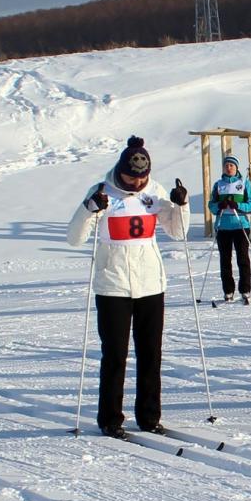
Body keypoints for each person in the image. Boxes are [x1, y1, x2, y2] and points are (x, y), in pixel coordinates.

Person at [66, 137, 189, 437]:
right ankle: (110, 419)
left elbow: (178, 232)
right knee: (115, 355)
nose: (136, 182)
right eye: (131, 176)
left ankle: (149, 417)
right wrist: (89, 209)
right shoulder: (102, 192)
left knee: (151, 353)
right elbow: (74, 238)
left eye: (142, 177)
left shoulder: (155, 191)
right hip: (113, 286)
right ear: (120, 170)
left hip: (150, 284)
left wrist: (180, 205)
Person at [208, 154, 251, 303]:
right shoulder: (218, 185)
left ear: (236, 168)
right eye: (226, 165)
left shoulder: (244, 183)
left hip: (240, 225)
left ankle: (245, 289)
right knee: (225, 260)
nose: (228, 168)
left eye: (231, 165)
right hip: (223, 226)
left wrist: (239, 206)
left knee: (243, 258)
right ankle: (228, 290)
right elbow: (211, 205)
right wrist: (218, 206)